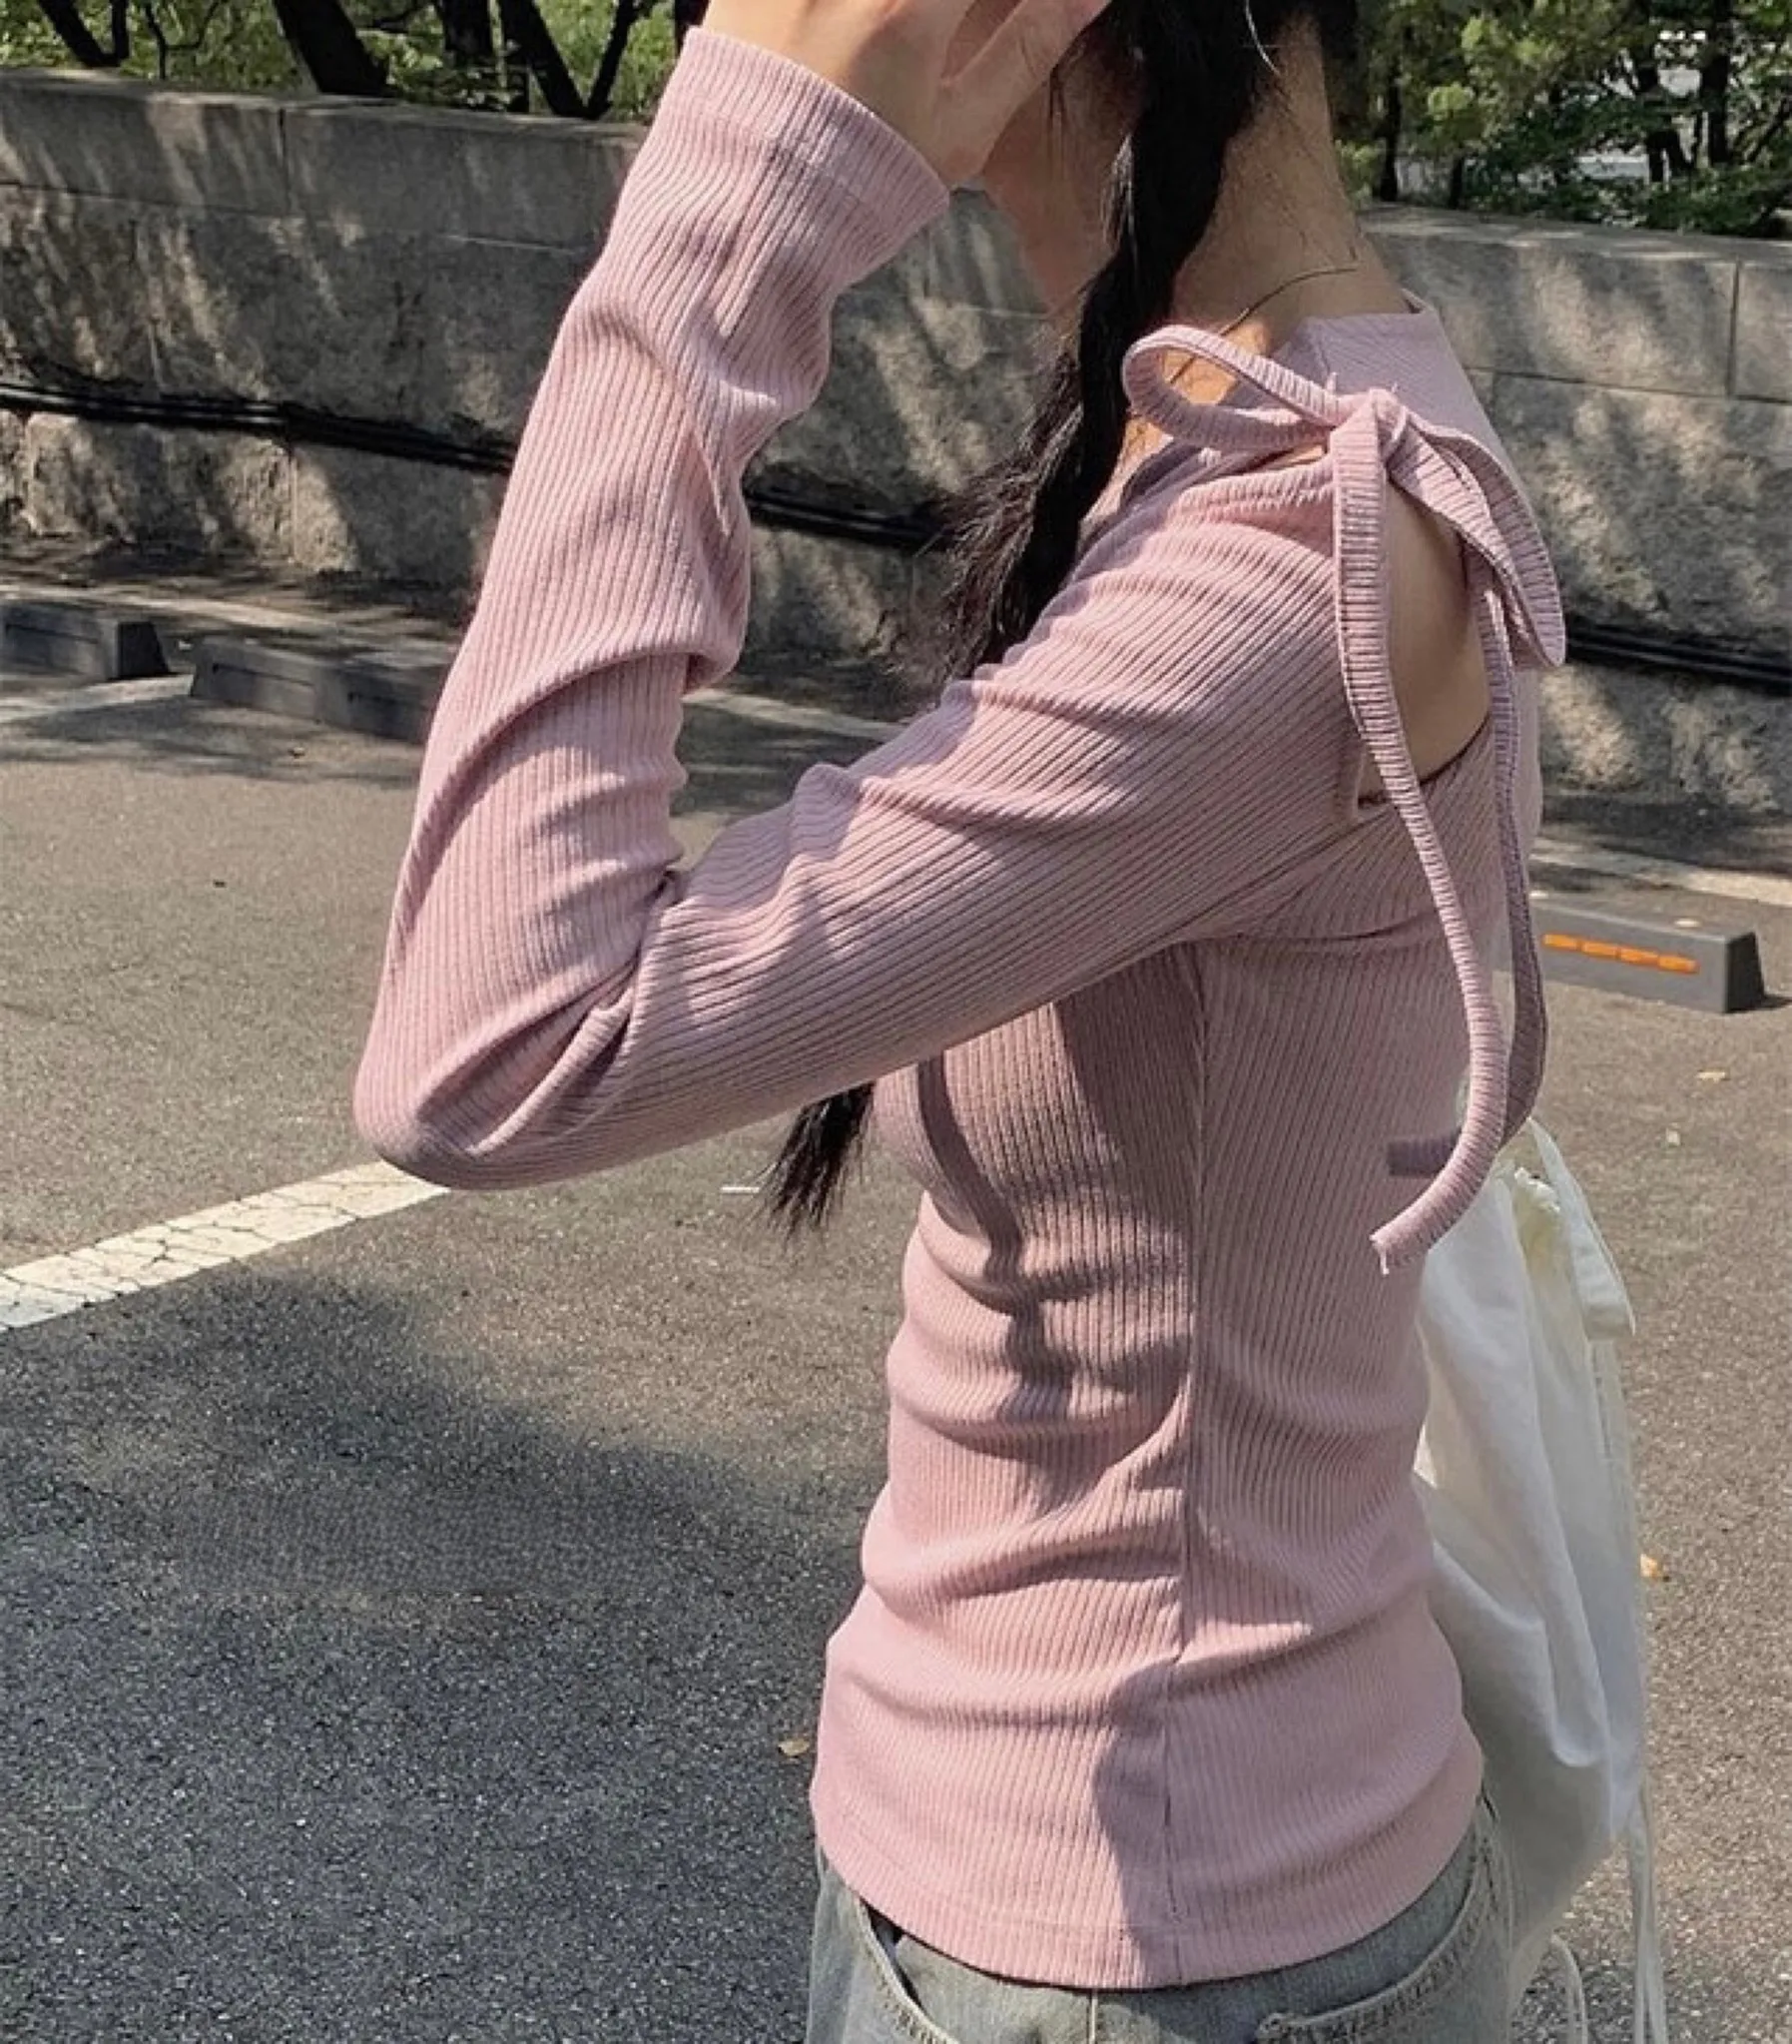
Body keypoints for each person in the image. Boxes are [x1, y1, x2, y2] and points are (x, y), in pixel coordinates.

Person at [353, 0, 1567, 2035]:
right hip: (1080, 1877)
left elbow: (491, 1050)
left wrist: (726, 213)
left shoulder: (1293, 558)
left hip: (1146, 1936)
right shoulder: (1257, 420)